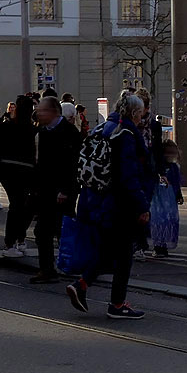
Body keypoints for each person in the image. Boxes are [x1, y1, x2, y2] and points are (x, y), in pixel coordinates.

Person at [65, 93, 153, 320]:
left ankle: (82, 284)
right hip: (119, 204)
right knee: (123, 255)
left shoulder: (102, 129)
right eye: (141, 115)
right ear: (134, 113)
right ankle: (116, 304)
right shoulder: (125, 135)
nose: (143, 119)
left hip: (95, 199)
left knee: (109, 250)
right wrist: (142, 206)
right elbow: (129, 175)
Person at [31, 96, 81, 283]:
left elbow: (72, 164)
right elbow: (41, 163)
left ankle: (70, 264)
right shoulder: (43, 131)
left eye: (42, 110)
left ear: (53, 112)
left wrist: (66, 190)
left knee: (61, 229)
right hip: (46, 190)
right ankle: (48, 269)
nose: (38, 113)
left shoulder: (69, 132)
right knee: (43, 231)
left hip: (62, 191)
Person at [0, 94, 37, 258]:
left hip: (6, 169)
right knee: (23, 206)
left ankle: (13, 241)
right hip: (26, 170)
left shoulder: (5, 126)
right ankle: (16, 240)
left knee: (15, 205)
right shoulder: (34, 129)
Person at [152, 140, 184, 258]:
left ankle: (163, 245)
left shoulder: (174, 167)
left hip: (170, 197)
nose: (170, 156)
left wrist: (179, 194)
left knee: (168, 220)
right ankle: (158, 245)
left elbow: (177, 182)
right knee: (159, 221)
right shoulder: (159, 166)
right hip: (159, 197)